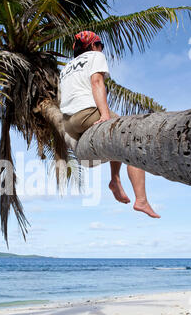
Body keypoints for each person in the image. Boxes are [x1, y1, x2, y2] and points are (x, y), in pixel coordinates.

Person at [59, 31, 160, 219]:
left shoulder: (67, 68)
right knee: (130, 137)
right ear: (93, 46)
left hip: (69, 123)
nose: (101, 49)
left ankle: (115, 180)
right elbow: (97, 82)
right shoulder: (95, 56)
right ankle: (141, 199)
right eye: (100, 45)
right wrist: (105, 115)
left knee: (117, 138)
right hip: (86, 113)